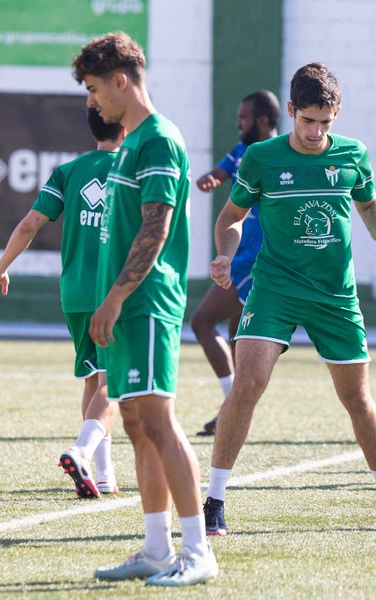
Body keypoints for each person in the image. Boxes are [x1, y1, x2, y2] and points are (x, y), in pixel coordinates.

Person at [203, 62, 376, 535]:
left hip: (335, 296)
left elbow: (368, 201)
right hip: (274, 288)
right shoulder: (261, 158)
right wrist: (223, 254)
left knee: (357, 397)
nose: (316, 132)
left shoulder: (354, 154)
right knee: (248, 385)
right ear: (292, 111)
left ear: (336, 114)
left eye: (326, 122)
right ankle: (214, 500)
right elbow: (231, 217)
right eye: (308, 121)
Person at [73, 32, 218, 585]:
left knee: (158, 418)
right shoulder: (131, 142)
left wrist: (115, 297)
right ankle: (156, 548)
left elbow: (155, 229)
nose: (92, 101)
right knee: (134, 421)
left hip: (148, 301)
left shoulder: (158, 139)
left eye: (93, 88)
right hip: (128, 304)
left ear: (121, 80)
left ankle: (198, 550)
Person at [0, 108, 123, 499]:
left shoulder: (69, 171)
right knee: (115, 380)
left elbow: (30, 223)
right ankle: (81, 451)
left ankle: (104, 472)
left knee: (94, 376)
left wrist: (0, 268)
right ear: (126, 124)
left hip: (75, 294)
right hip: (113, 293)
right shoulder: (134, 170)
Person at [191, 90, 280, 436]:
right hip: (238, 254)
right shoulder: (243, 150)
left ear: (261, 120)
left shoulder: (279, 153)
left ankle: (232, 405)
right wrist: (210, 178)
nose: (238, 123)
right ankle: (234, 408)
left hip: (255, 259)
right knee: (235, 337)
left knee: (201, 322)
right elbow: (222, 171)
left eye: (244, 117)